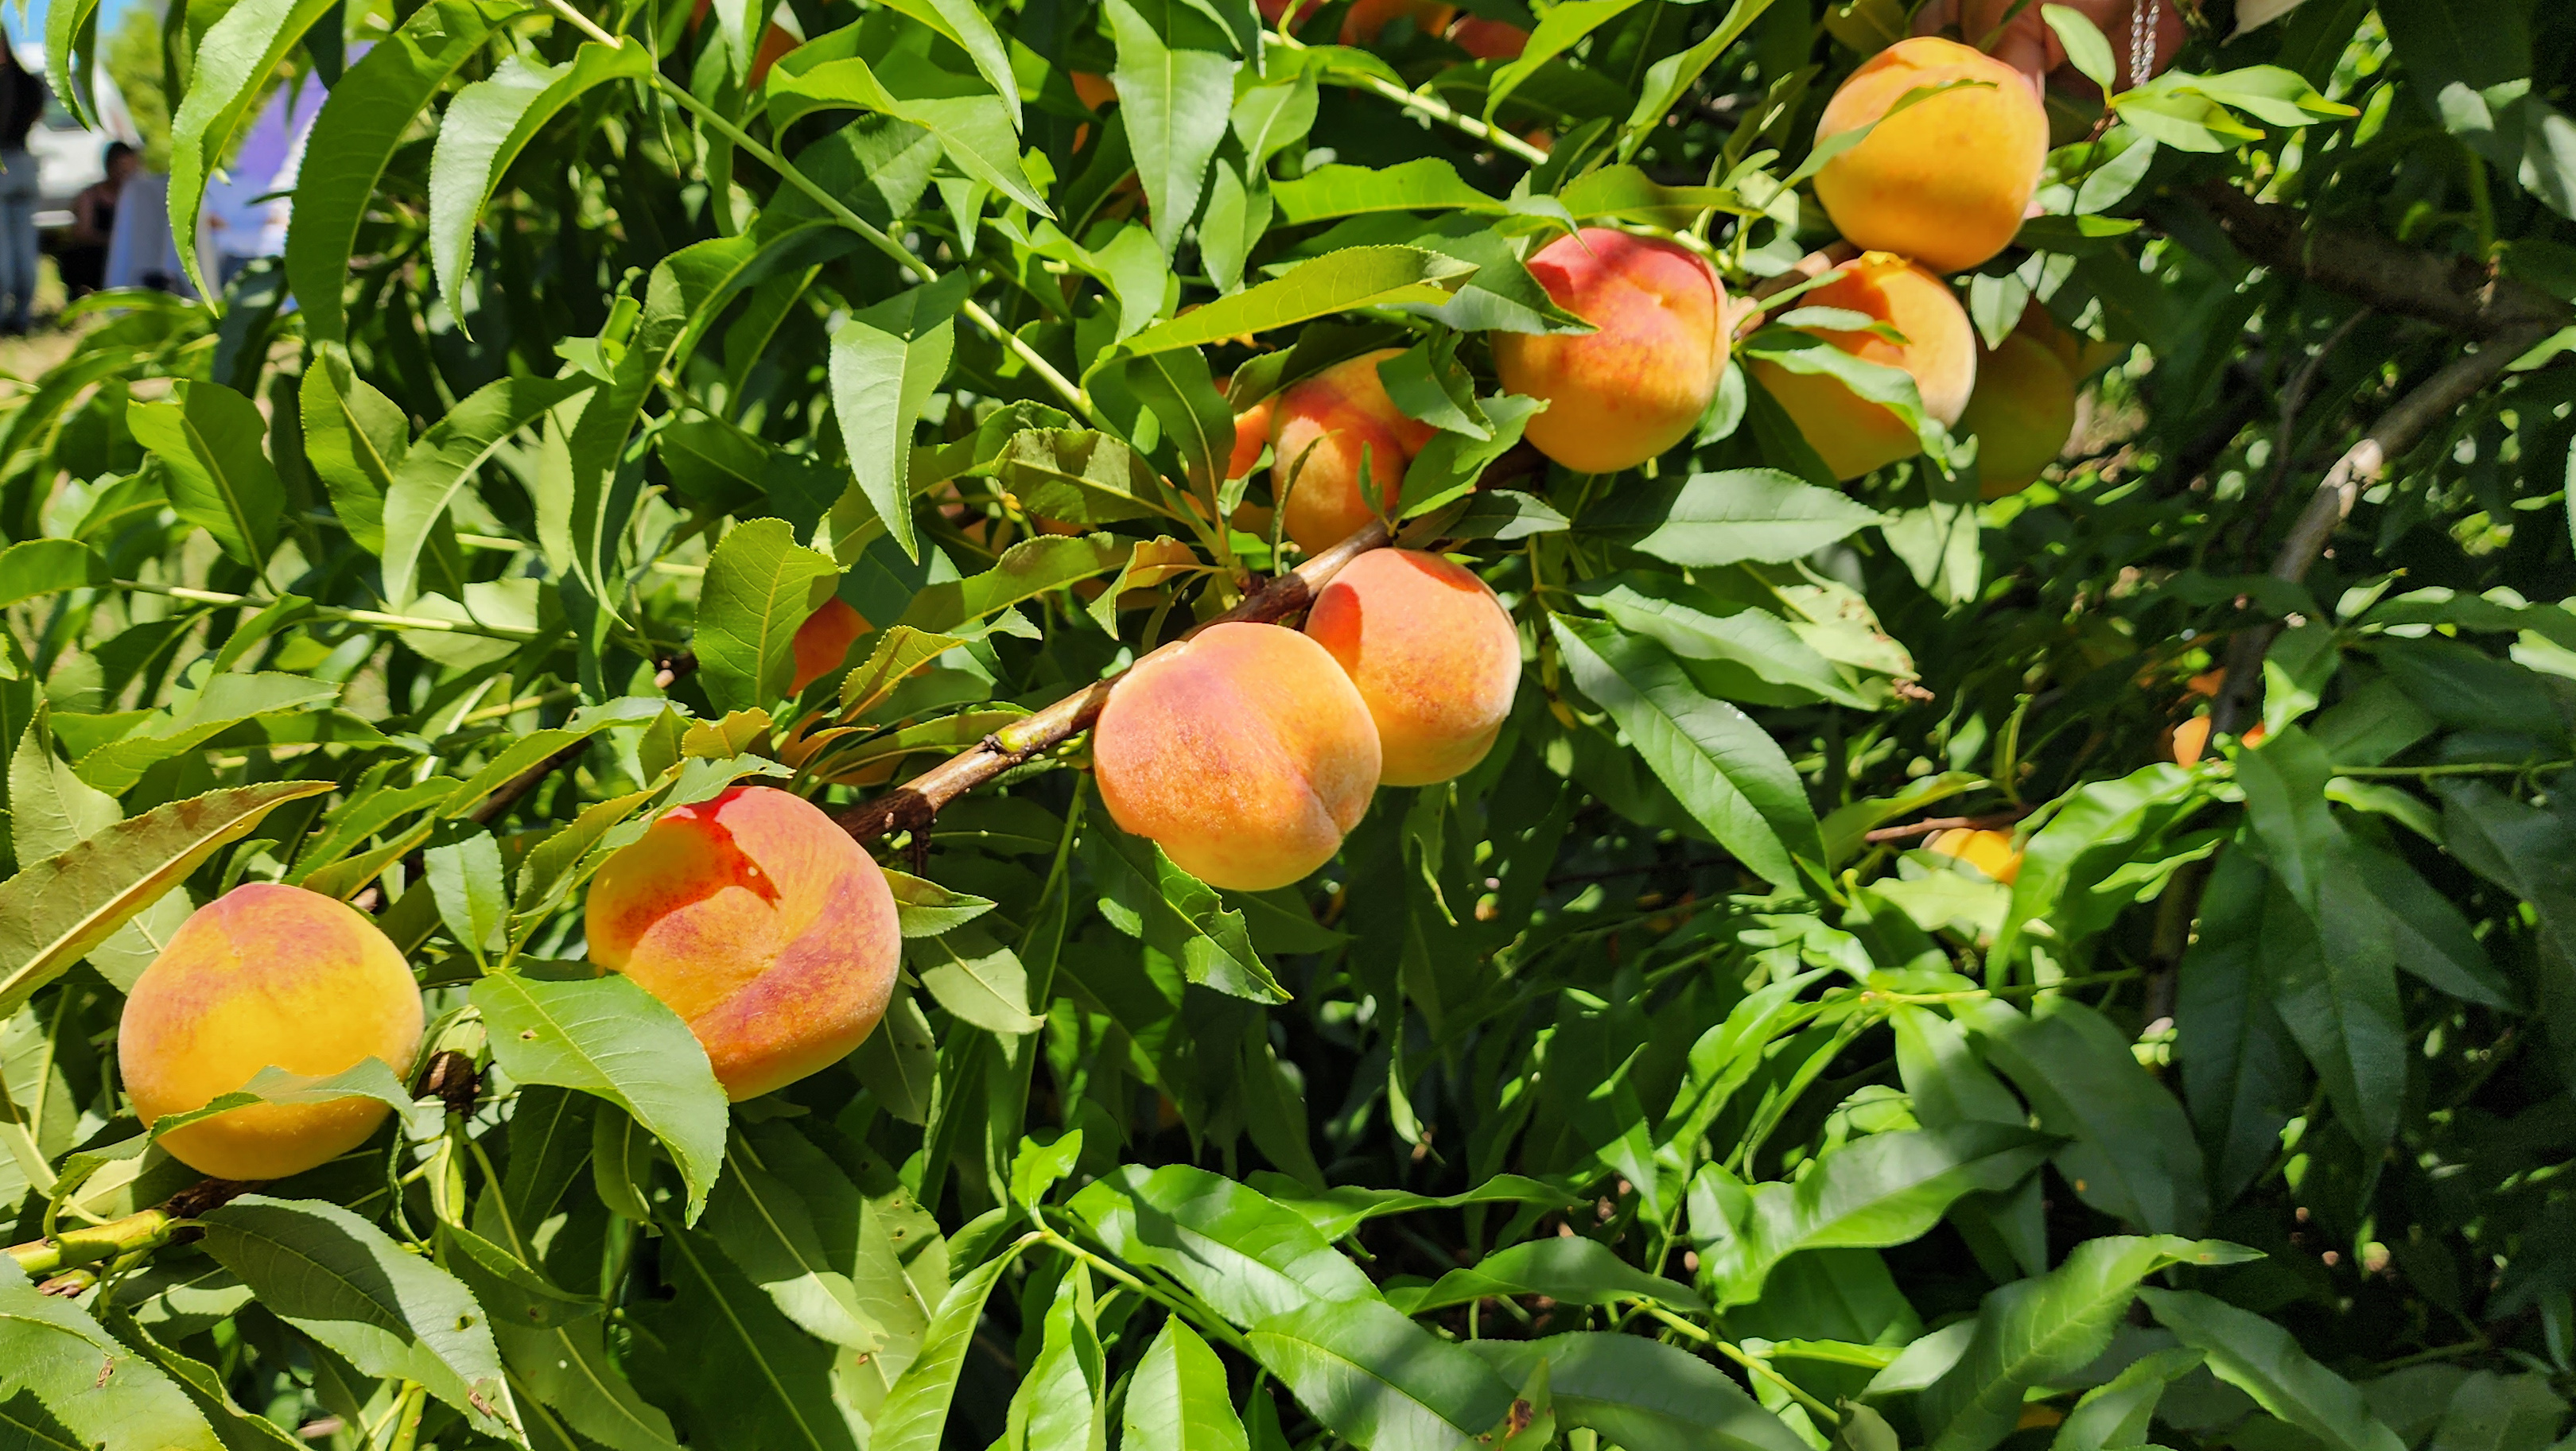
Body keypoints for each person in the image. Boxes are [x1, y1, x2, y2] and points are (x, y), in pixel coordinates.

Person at [0, 44, 49, 332]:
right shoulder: (27, 81)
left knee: (3, 249)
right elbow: (38, 113)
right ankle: (22, 314)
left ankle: (4, 315)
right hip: (24, 164)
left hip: (4, 164)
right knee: (24, 246)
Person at [60, 141, 134, 298]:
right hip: (96, 258)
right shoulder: (89, 196)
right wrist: (114, 241)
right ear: (109, 166)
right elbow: (82, 233)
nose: (126, 175)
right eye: (121, 169)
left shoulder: (137, 197)